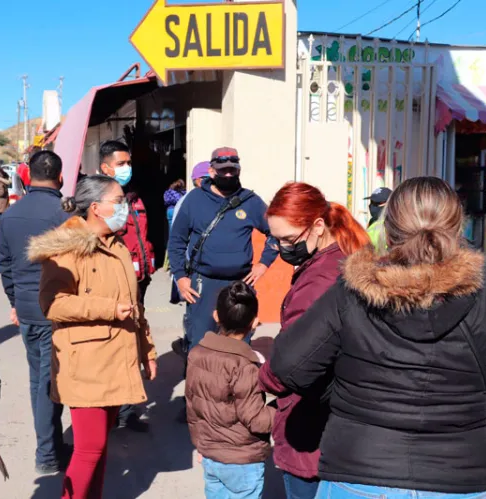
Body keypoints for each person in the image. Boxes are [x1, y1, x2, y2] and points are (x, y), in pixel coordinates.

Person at [266, 177, 486, 497]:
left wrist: (342, 387)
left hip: (359, 471)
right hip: (461, 475)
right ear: (458, 228)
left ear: (388, 230)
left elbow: (288, 364)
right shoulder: (484, 290)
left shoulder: (353, 288)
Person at [28, 175, 158, 499]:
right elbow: (53, 304)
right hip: (86, 364)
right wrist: (109, 308)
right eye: (119, 201)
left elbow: (136, 305)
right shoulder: (68, 245)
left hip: (116, 359)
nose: (125, 207)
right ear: (96, 207)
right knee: (89, 449)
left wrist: (148, 351)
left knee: (99, 450)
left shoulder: (118, 245)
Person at [256, 182, 370, 499]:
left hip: (312, 428)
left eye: (289, 239)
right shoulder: (344, 257)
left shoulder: (320, 279)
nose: (281, 248)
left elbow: (293, 363)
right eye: (275, 239)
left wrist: (262, 375)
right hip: (337, 423)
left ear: (318, 226)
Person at [0, 150, 70, 475]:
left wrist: (15, 301)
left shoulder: (11, 214)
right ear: (61, 176)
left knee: (38, 380)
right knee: (49, 382)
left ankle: (51, 442)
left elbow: (5, 266)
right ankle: (47, 455)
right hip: (56, 309)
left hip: (27, 309)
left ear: (27, 176)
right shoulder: (65, 214)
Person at [168, 147, 278, 356]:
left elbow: (275, 233)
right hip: (202, 284)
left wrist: (264, 263)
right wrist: (181, 277)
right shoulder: (194, 200)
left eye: (232, 170)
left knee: (239, 344)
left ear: (239, 170)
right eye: (223, 170)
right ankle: (198, 386)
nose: (228, 175)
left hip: (240, 283)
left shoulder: (251, 201)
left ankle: (237, 386)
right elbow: (176, 241)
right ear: (211, 172)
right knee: (199, 343)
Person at [186, 281, 275, 499]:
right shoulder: (245, 365)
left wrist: (200, 444)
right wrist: (280, 408)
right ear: (254, 322)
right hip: (241, 460)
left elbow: (192, 406)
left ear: (216, 316)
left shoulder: (196, 354)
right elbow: (255, 419)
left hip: (211, 456)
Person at [98, 140, 155, 432]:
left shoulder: (134, 198)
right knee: (115, 345)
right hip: (115, 281)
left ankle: (125, 409)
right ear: (105, 167)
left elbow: (141, 237)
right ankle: (110, 409)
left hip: (139, 280)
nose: (126, 168)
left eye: (128, 162)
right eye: (121, 163)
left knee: (132, 342)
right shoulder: (99, 201)